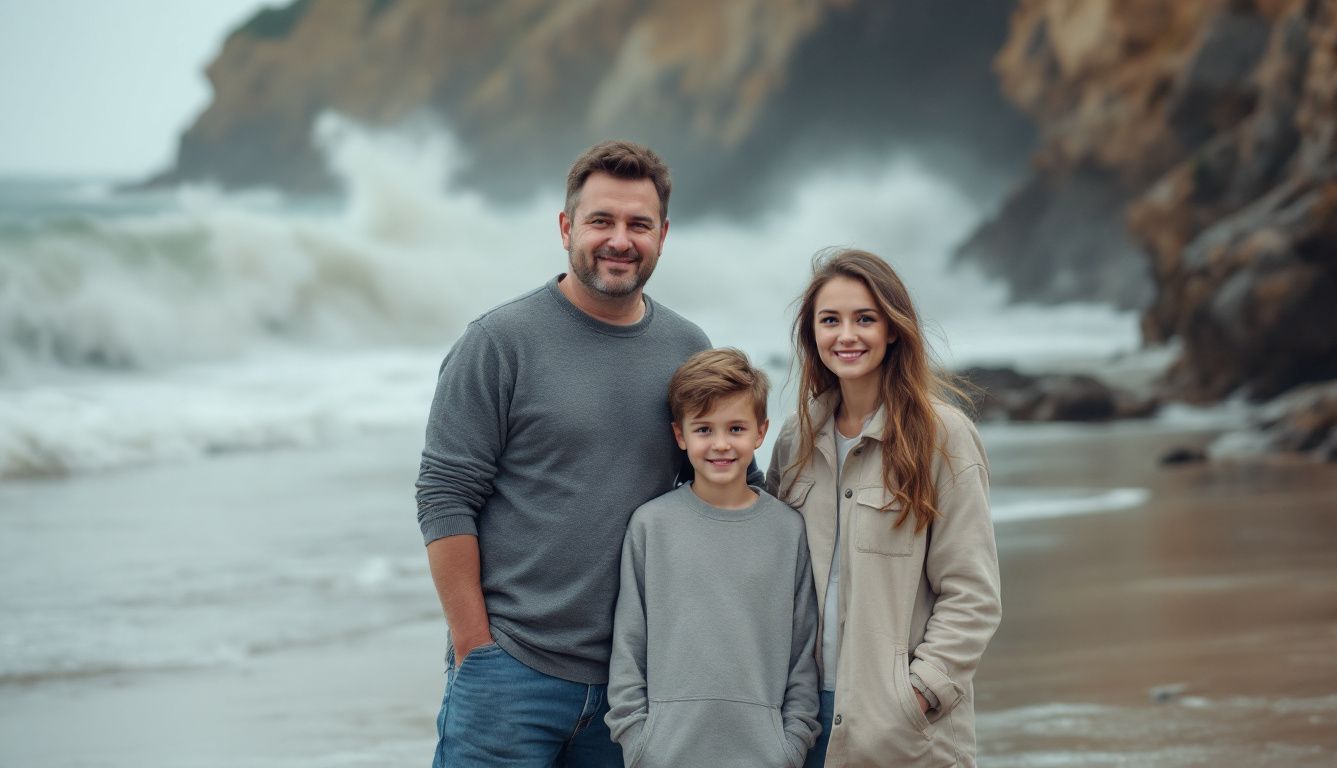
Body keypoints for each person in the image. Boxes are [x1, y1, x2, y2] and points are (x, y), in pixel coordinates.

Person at [416, 140, 732, 767]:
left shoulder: (687, 348)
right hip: (511, 673)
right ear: (566, 228)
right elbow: (445, 495)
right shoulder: (499, 342)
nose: (620, 240)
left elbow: (728, 490)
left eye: (638, 224)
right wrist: (475, 648)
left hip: (634, 686)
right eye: (601, 221)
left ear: (663, 235)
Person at [766, 249, 1001, 767]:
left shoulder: (943, 438)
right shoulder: (795, 439)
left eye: (865, 319)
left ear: (893, 329)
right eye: (830, 320)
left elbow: (973, 594)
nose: (846, 335)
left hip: (900, 731)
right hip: (802, 722)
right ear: (812, 335)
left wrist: (916, 696)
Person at [605, 348, 821, 768]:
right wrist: (639, 741)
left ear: (760, 433)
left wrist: (790, 745)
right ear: (680, 435)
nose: (720, 444)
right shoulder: (651, 525)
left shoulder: (787, 530)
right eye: (704, 429)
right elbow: (628, 645)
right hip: (665, 754)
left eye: (735, 428)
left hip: (766, 755)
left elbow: (802, 651)